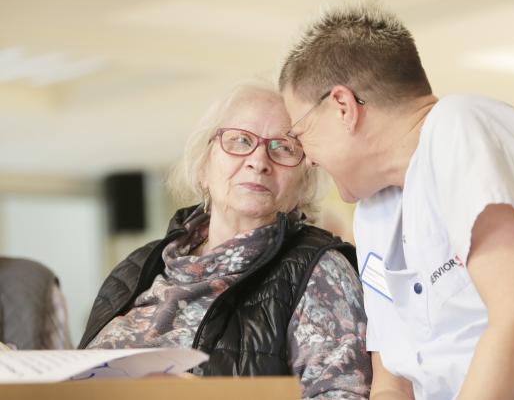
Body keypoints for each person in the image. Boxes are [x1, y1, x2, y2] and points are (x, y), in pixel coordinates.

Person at [278, 0, 514, 400]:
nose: (306, 156)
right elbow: (394, 379)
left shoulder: (462, 126)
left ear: (343, 106)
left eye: (300, 132)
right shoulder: (374, 213)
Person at [78, 83, 372, 399]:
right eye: (240, 141)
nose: (258, 161)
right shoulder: (139, 265)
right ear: (204, 165)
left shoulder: (320, 271)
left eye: (283, 147)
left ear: (304, 181)